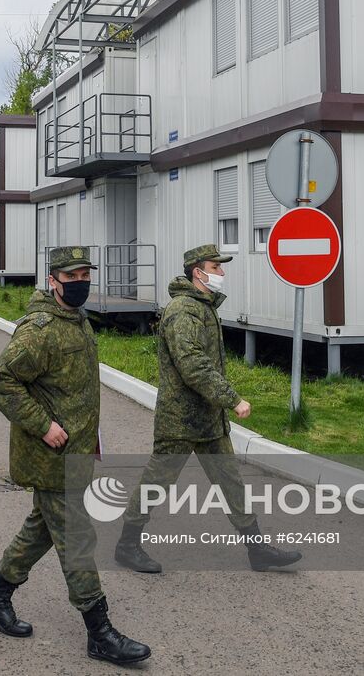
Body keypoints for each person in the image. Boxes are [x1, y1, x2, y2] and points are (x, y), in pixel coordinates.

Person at [0, 246, 151, 666]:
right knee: (77, 537)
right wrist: (43, 425)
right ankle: (100, 633)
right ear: (53, 281)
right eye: (71, 277)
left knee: (41, 529)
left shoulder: (76, 319)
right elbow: (2, 381)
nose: (80, 283)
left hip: (76, 450)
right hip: (50, 453)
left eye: (85, 275)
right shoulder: (40, 330)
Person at [113, 244, 302, 574]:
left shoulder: (203, 306)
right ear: (198, 273)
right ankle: (127, 546)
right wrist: (233, 399)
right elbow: (193, 365)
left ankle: (257, 550)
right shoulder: (183, 311)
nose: (222, 273)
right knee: (157, 483)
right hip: (181, 420)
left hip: (209, 419)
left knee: (231, 482)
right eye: (216, 267)